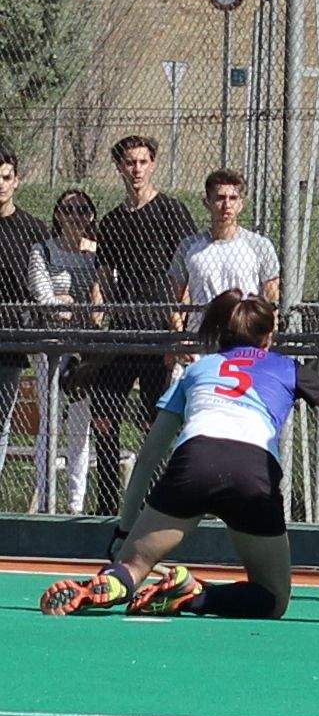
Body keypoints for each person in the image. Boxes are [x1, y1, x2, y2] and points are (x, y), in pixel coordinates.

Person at [40, 291, 319, 619]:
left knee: (132, 567)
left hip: (194, 461)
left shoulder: (197, 371)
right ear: (268, 337)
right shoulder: (288, 367)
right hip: (252, 472)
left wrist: (123, 533)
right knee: (273, 597)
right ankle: (192, 596)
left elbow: (148, 458)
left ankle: (111, 584)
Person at [89, 135, 198, 515]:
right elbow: (102, 275)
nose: (136, 169)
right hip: (122, 334)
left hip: (159, 334)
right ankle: (107, 505)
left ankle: (154, 508)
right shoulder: (113, 220)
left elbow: (186, 272)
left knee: (155, 426)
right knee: (103, 418)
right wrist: (98, 317)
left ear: (153, 164)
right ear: (119, 167)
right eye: (129, 163)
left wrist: (177, 329)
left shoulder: (172, 211)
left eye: (142, 162)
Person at [27, 189, 99, 514]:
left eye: (83, 210)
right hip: (49, 346)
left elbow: (101, 305)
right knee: (50, 420)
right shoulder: (43, 250)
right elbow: (44, 299)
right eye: (69, 210)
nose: (76, 217)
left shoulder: (96, 254)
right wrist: (69, 306)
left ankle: (74, 503)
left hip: (83, 347)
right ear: (58, 215)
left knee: (80, 425)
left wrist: (74, 305)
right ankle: (45, 500)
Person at [0, 148, 48, 501]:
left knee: (1, 424)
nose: (1, 185)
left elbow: (41, 284)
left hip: (12, 341)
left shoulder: (33, 229)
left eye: (6, 177)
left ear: (16, 180)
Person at [167, 169, 280, 313]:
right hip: (203, 332)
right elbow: (175, 301)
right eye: (220, 198)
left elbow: (271, 302)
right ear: (207, 202)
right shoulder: (189, 246)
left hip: (244, 331)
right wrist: (180, 333)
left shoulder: (260, 245)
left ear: (241, 204)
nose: (227, 205)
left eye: (233, 198)